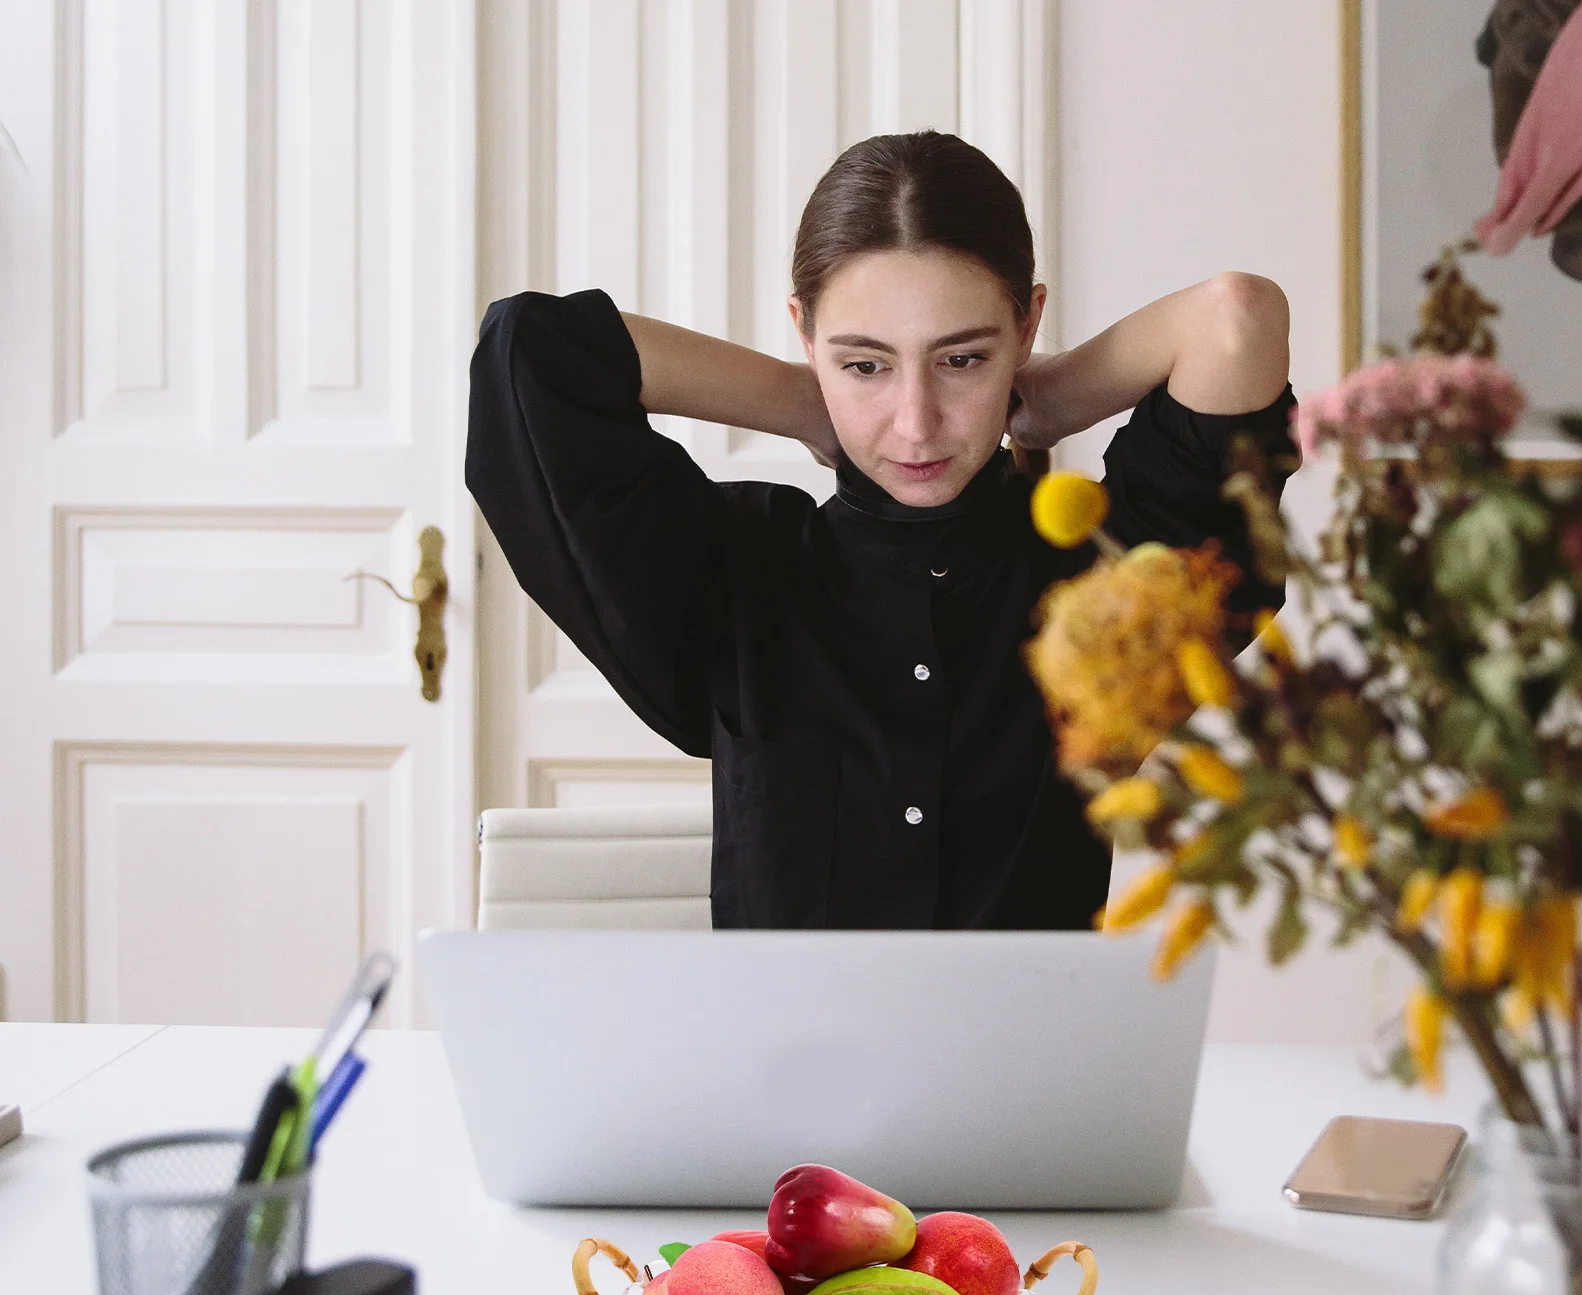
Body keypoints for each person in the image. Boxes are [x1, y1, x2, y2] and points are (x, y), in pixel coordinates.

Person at [467, 131, 1296, 931]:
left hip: (1035, 1077)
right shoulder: (735, 574)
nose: (916, 423)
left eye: (962, 359)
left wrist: (1051, 398)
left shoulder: (1107, 592)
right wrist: (801, 401)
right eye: (865, 363)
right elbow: (529, 351)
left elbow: (1236, 318)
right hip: (782, 1077)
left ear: (1026, 327)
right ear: (805, 333)